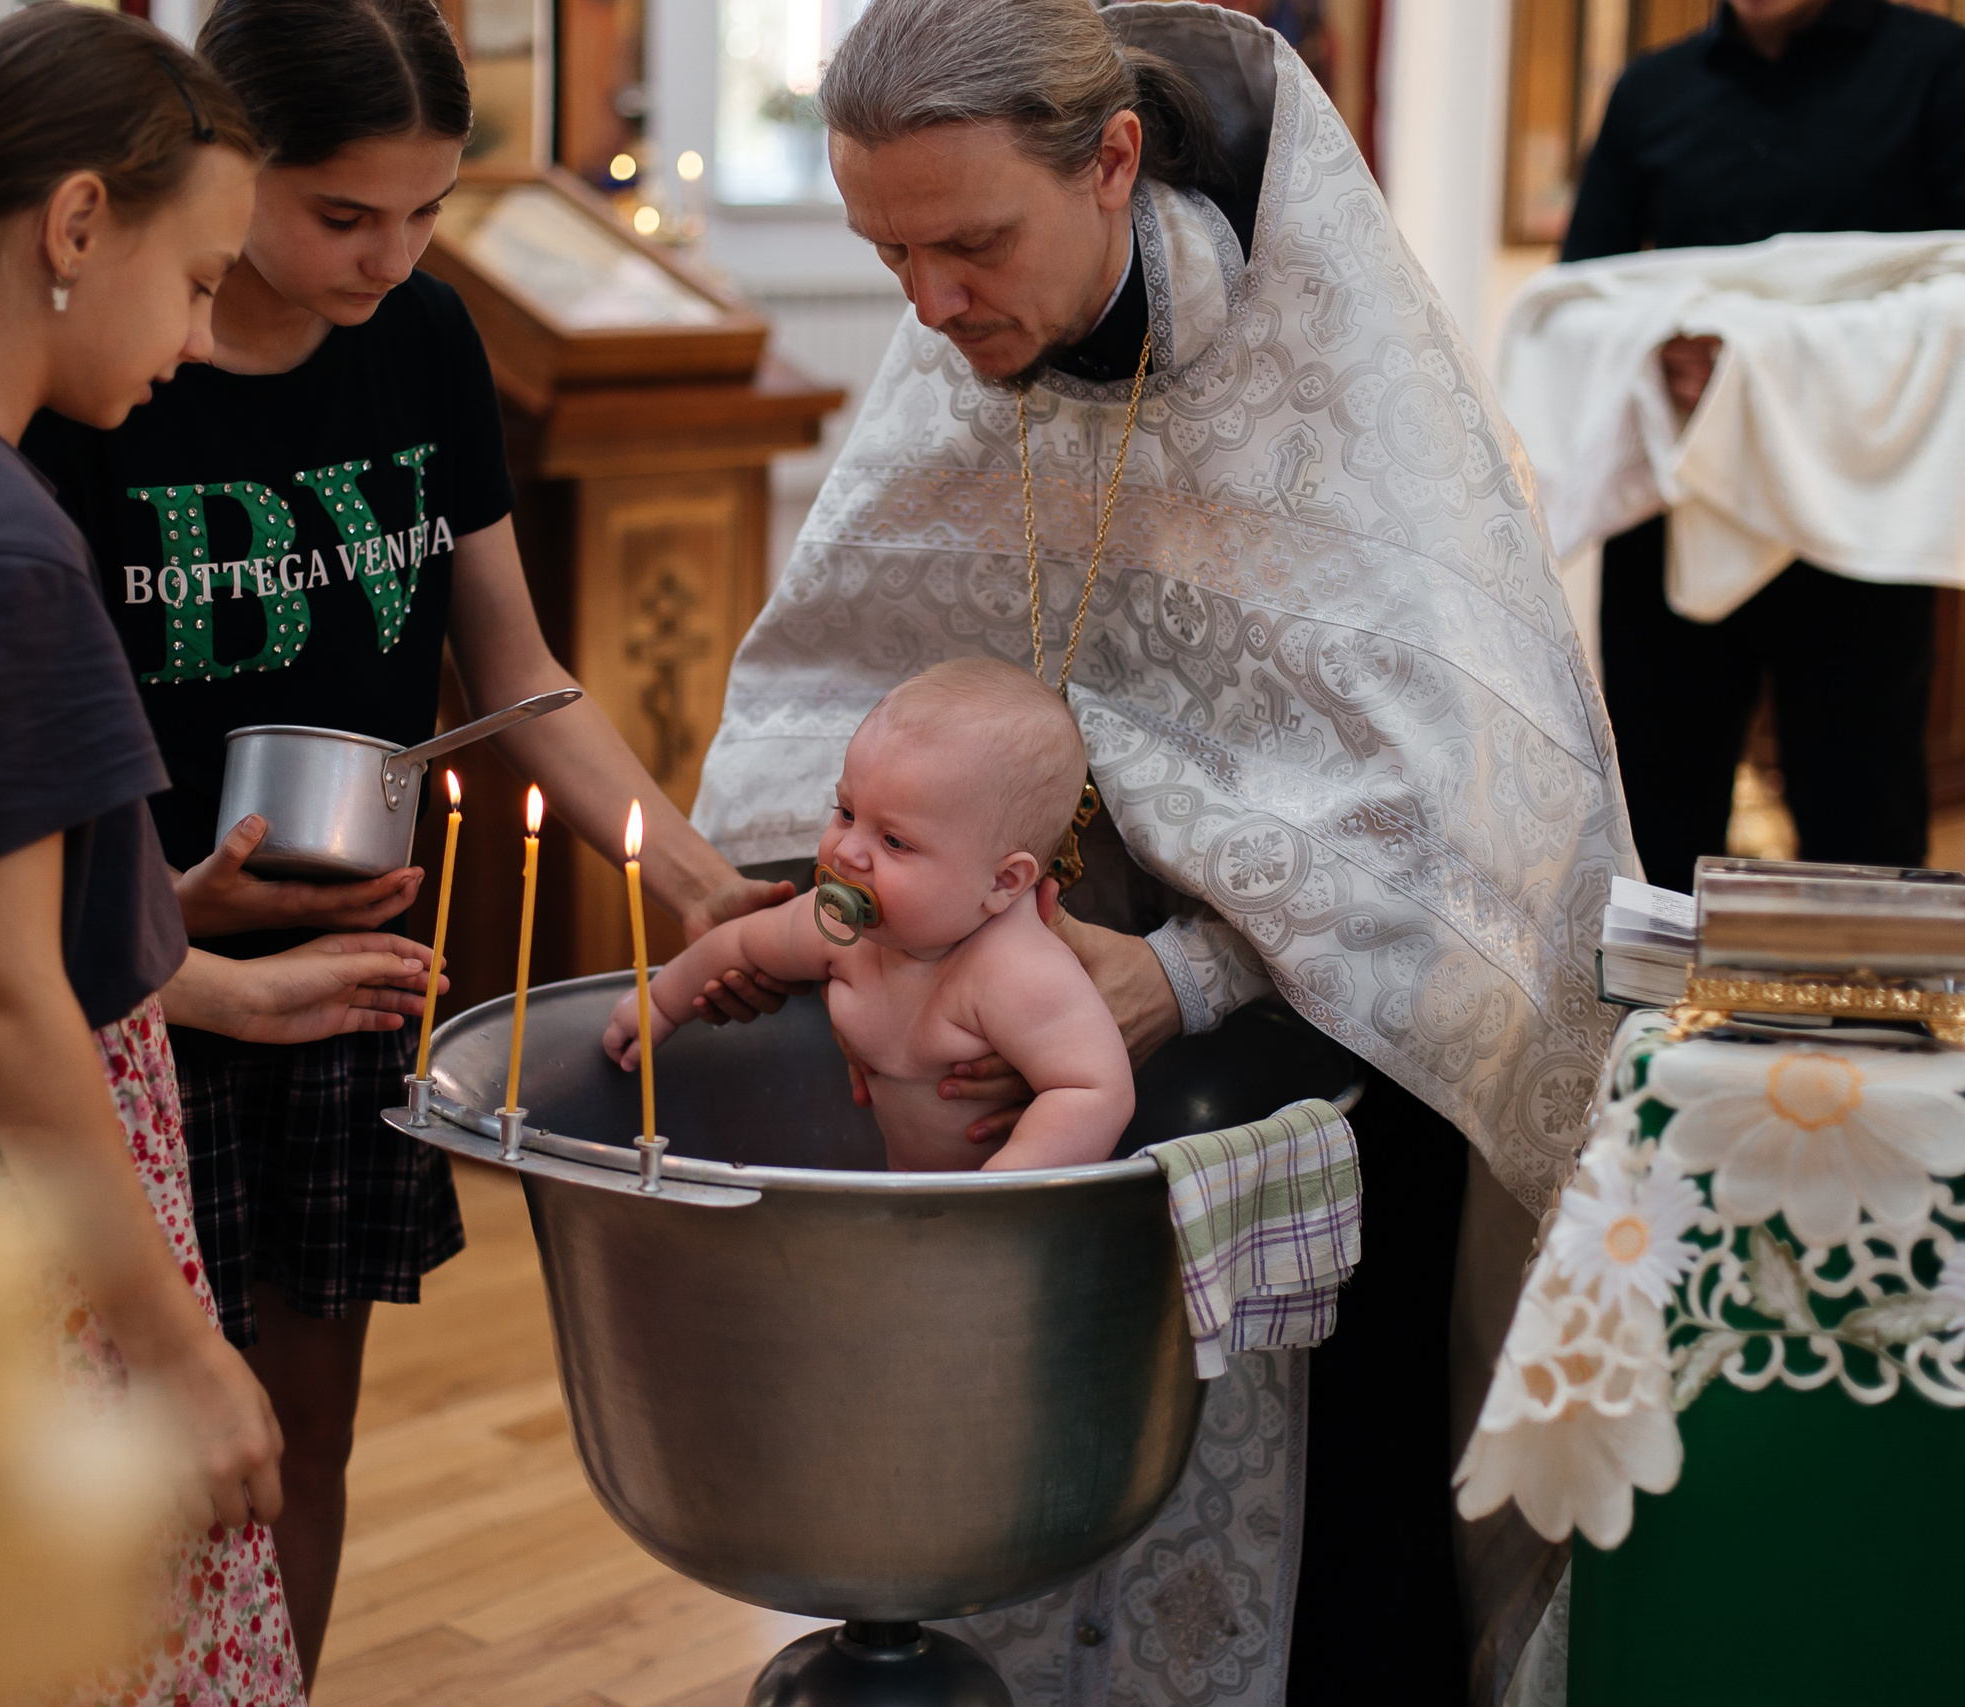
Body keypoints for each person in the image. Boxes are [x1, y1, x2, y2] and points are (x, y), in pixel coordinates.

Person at [689, 0, 1634, 1700]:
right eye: (885, 250)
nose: (930, 307)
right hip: (1013, 1079)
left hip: (1312, 1084)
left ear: (1113, 160)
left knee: (1324, 1596)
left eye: (970, 243)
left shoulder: (1329, 398)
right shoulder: (956, 361)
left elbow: (1458, 834)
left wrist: (1183, 970)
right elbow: (848, 666)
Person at [15, 0, 790, 1679]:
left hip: (348, 974)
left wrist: (699, 876)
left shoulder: (428, 342)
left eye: (429, 210)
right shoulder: (100, 371)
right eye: (343, 215)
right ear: (226, 161)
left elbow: (515, 676)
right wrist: (159, 916)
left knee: (300, 1425)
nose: (389, 256)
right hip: (128, 970)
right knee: (123, 1438)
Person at [0, 8, 447, 1700]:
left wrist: (158, 928)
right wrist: (186, 1352)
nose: (198, 340)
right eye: (194, 281)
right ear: (71, 227)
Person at [1561, 0, 1965, 888]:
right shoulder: (1652, 90)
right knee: (1653, 830)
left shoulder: (1944, 71)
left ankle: (1859, 1027)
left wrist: (1766, 360)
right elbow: (1579, 298)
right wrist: (1659, 351)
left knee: (1861, 832)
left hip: (1855, 520)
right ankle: (1652, 1031)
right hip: (1680, 508)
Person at [609, 658, 1131, 1172]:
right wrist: (662, 1001)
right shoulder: (840, 930)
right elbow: (741, 943)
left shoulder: (1020, 971)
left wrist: (998, 1196)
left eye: (895, 841)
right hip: (901, 1196)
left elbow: (1094, 1091)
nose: (847, 853)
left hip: (1000, 1233)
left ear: (1002, 882)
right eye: (847, 812)